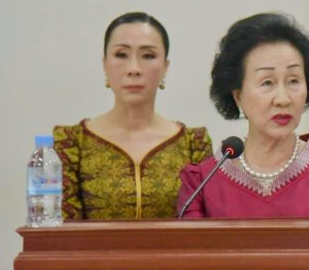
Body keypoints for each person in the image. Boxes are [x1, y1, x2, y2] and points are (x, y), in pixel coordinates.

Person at [177, 12, 309, 269]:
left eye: (293, 81)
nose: (283, 98)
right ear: (238, 96)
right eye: (267, 83)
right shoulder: (201, 182)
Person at [53, 12, 212, 220]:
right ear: (105, 64)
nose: (134, 69)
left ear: (165, 67)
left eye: (148, 56)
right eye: (121, 55)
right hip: (94, 253)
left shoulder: (193, 145)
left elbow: (203, 230)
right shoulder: (72, 142)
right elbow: (64, 234)